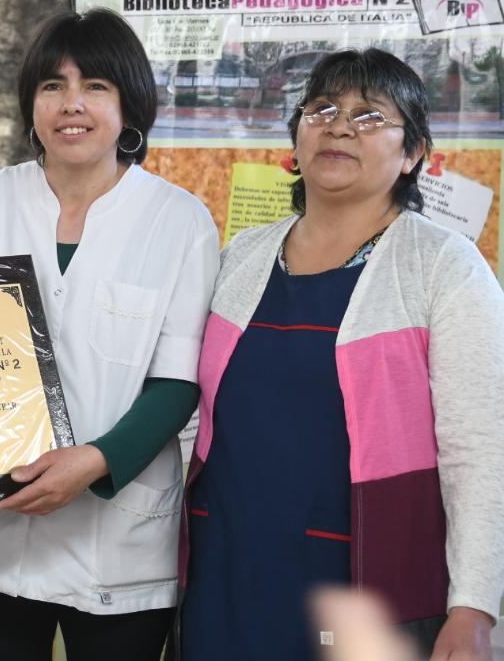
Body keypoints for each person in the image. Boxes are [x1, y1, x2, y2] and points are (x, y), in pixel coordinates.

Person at [179, 48, 504, 661]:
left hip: (365, 585)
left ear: (413, 155)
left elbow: (482, 450)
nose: (339, 125)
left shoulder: (444, 266)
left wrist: (474, 607)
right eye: (321, 109)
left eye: (369, 115)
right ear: (296, 142)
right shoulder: (242, 257)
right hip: (226, 568)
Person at [0, 8, 219, 660]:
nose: (71, 104)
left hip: (117, 546)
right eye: (52, 86)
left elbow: (177, 383)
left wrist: (92, 463)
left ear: (129, 105)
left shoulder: (180, 221)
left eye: (96, 87)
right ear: (30, 105)